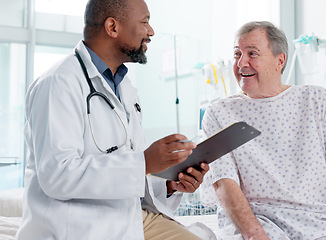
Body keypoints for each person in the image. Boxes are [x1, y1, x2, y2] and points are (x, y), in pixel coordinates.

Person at [15, 0, 209, 239]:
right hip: (77, 228)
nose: (151, 32)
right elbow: (57, 176)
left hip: (126, 221)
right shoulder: (59, 82)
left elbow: (126, 170)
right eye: (145, 22)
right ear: (112, 27)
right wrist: (145, 163)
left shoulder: (125, 88)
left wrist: (169, 184)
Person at [200, 21, 326, 240]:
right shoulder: (219, 113)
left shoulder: (315, 100)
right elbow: (224, 182)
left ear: (279, 61)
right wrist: (255, 236)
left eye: (252, 53)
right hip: (254, 224)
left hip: (319, 225)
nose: (242, 63)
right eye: (236, 54)